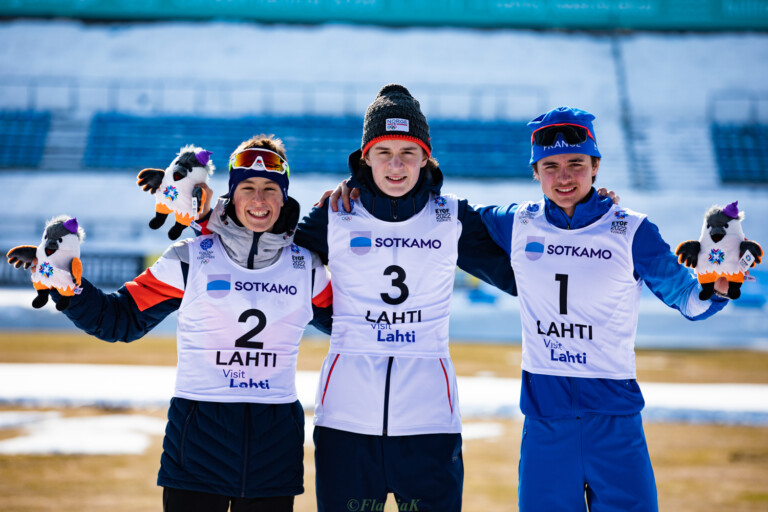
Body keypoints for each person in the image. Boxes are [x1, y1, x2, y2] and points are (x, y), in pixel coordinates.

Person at [41, 136, 333, 512]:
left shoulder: (307, 267)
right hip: (197, 446)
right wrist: (69, 291)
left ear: (284, 197)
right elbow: (120, 320)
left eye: (269, 190)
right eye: (247, 188)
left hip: (273, 452)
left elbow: (355, 325)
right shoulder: (190, 258)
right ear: (231, 194)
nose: (259, 200)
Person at [477, 106, 730, 511]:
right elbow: (439, 215)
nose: (563, 177)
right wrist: (360, 190)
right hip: (546, 423)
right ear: (536, 173)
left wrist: (717, 290)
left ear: (595, 166)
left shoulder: (632, 229)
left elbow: (688, 299)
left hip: (615, 424)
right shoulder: (516, 222)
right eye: (550, 166)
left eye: (576, 164)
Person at [293, 84, 518, 512]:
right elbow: (273, 262)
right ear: (365, 159)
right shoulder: (335, 214)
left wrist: (591, 218)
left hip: (430, 420)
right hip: (345, 420)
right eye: (384, 153)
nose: (396, 166)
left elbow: (519, 276)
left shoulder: (450, 217)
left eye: (408, 153)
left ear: (425, 158)